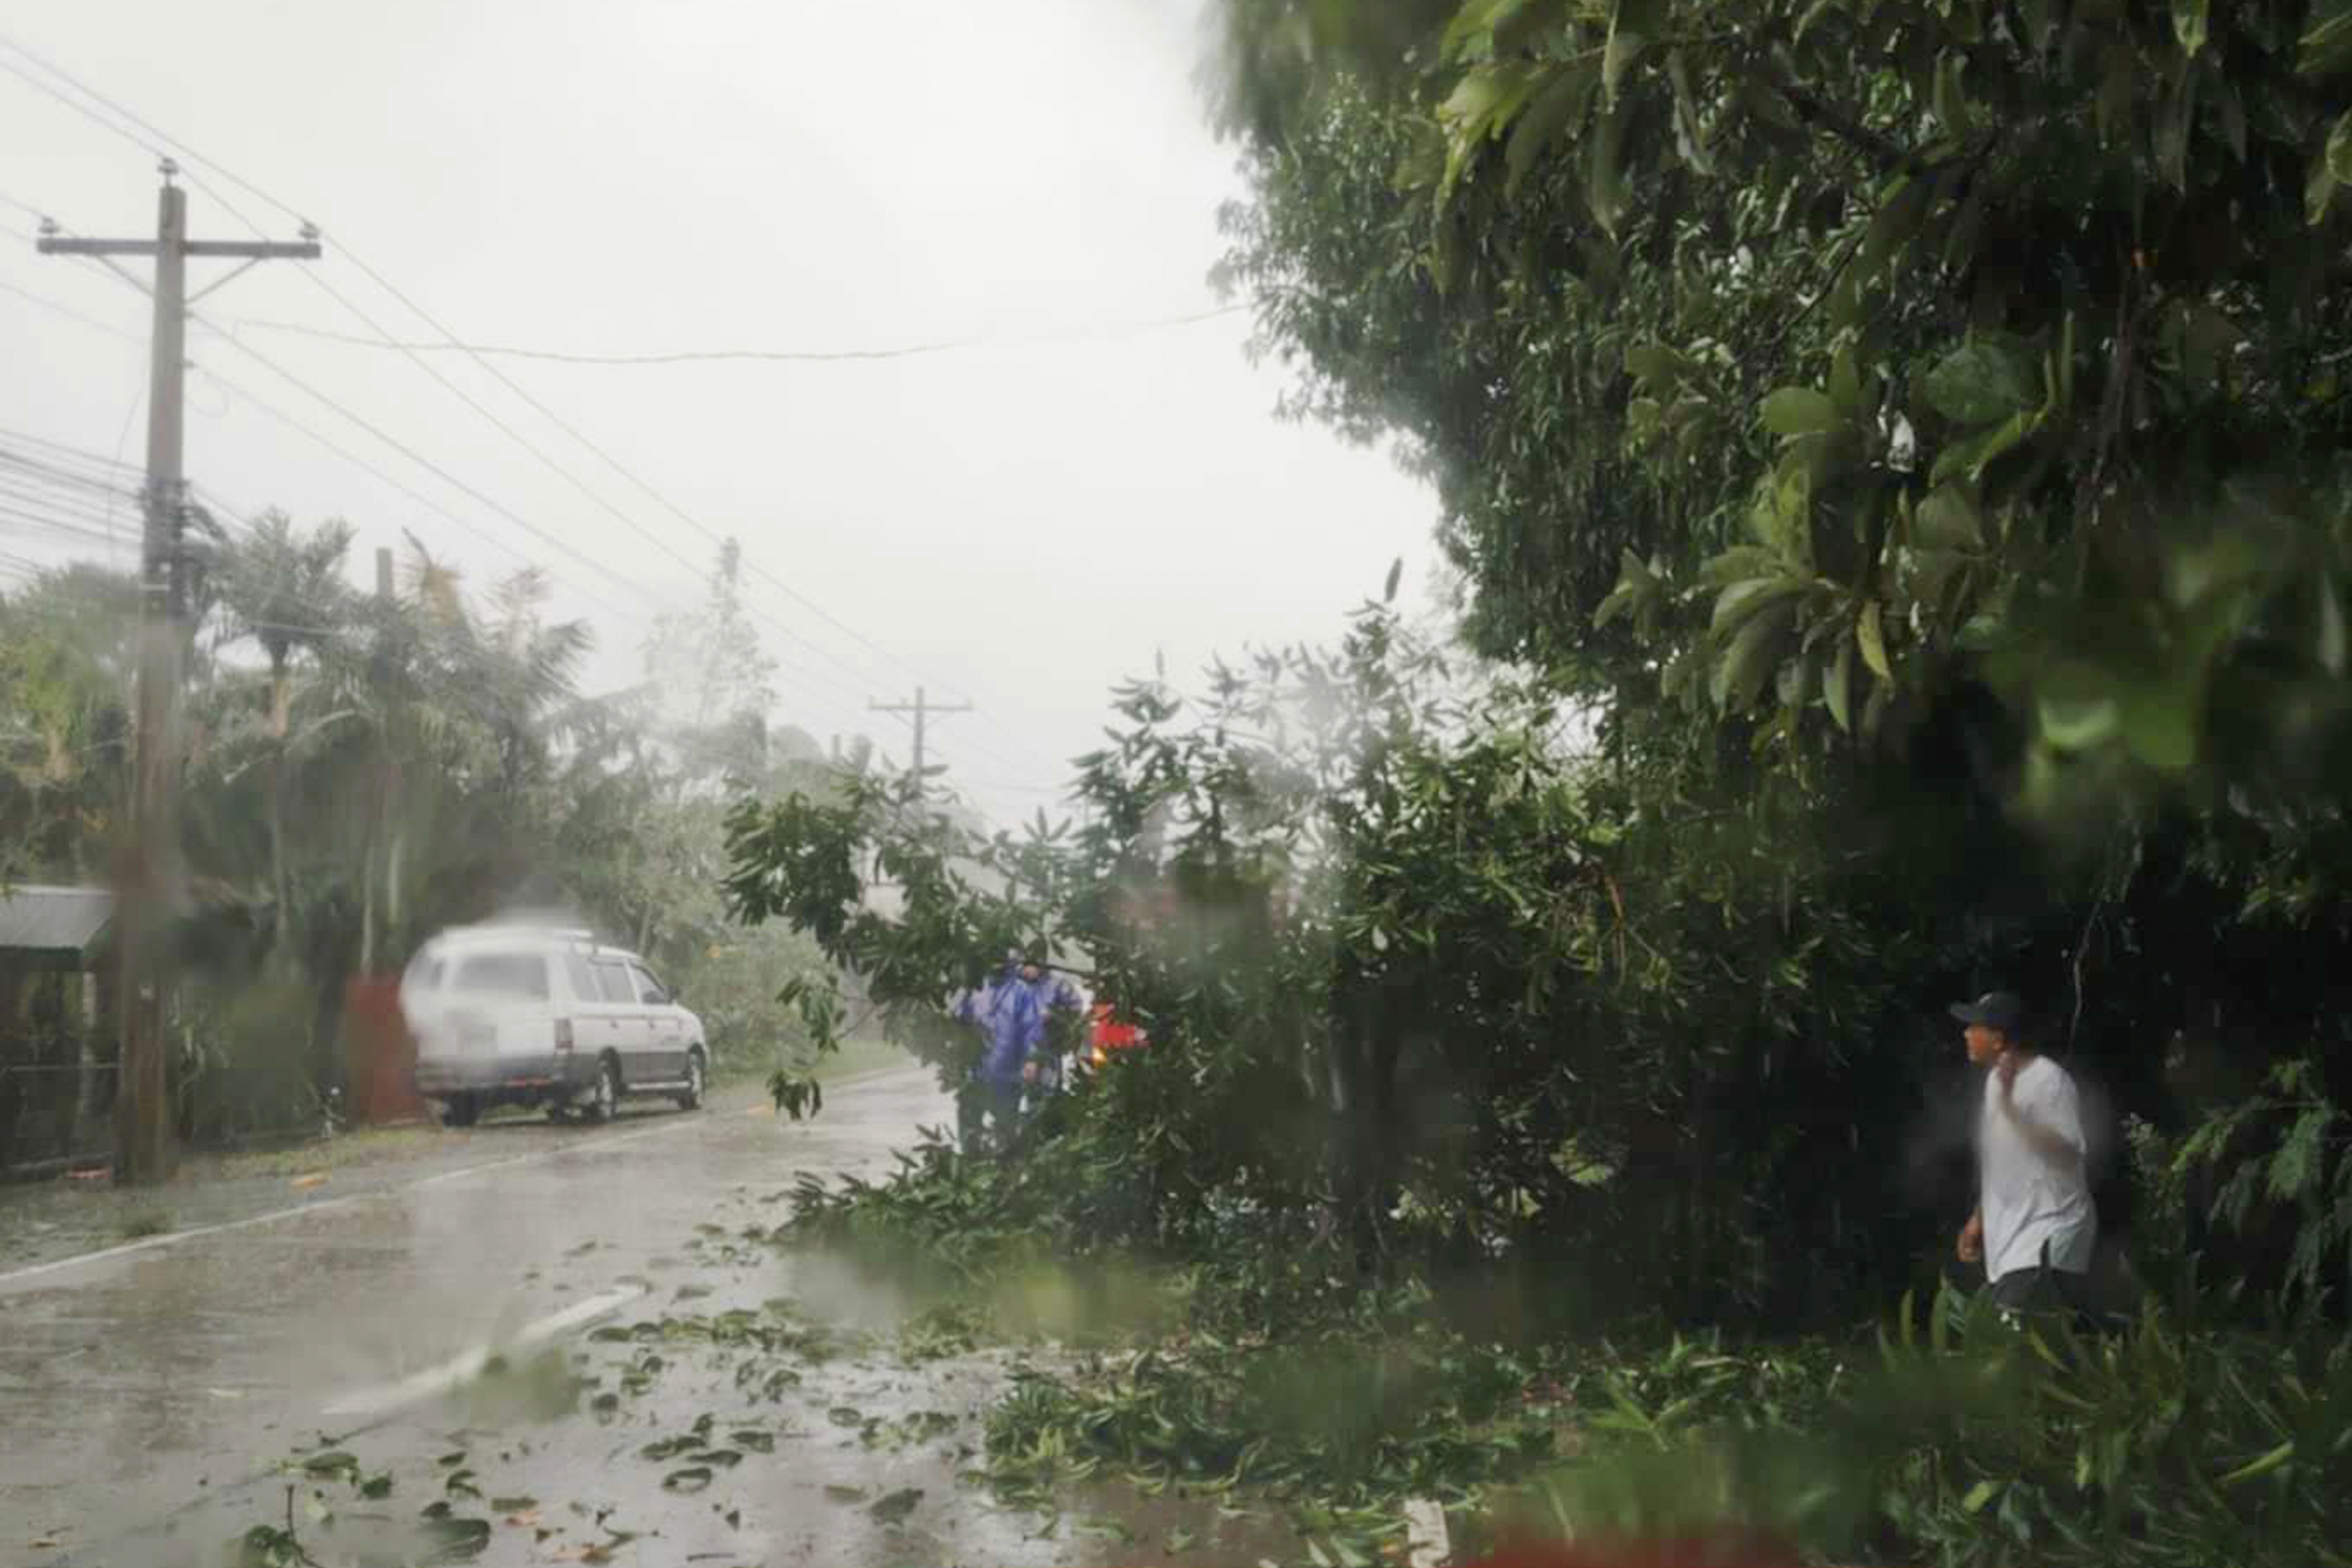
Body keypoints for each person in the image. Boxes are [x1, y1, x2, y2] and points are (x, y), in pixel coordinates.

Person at [1950, 990, 2098, 1314]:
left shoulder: (2050, 1082)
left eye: (1974, 1026)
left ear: (1998, 1039)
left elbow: (2067, 1154)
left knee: (2019, 1350)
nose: (1966, 1033)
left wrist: (2012, 1110)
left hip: (2051, 1236)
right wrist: (1978, 1221)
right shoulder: (1995, 1083)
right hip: (2015, 1244)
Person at [953, 952, 1045, 1155]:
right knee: (970, 1131)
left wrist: (1031, 1060)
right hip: (974, 1075)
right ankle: (970, 1167)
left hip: (1008, 1076)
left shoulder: (1022, 992)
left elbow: (1031, 1029)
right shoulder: (973, 988)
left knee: (1006, 1134)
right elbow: (958, 1023)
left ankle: (1005, 1176)